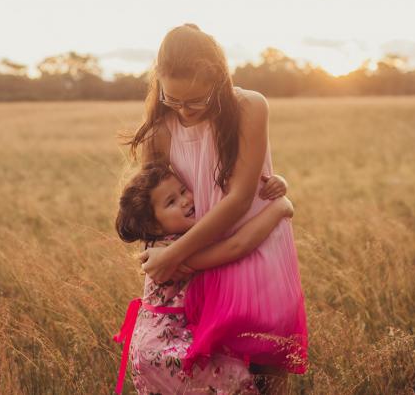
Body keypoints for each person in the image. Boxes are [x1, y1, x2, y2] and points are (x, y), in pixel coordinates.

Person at [126, 23, 308, 376]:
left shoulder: (249, 107)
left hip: (252, 243)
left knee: (261, 365)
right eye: (172, 99)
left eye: (196, 100)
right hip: (195, 261)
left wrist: (177, 256)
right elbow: (154, 207)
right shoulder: (162, 129)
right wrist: (166, 256)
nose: (185, 111)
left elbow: (239, 199)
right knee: (211, 373)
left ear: (219, 79)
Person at [113, 161, 294, 394]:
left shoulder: (163, 242)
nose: (185, 200)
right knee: (235, 381)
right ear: (153, 225)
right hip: (167, 347)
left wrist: (275, 185)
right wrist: (280, 207)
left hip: (149, 346)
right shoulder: (174, 250)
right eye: (171, 202)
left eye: (182, 191)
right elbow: (235, 245)